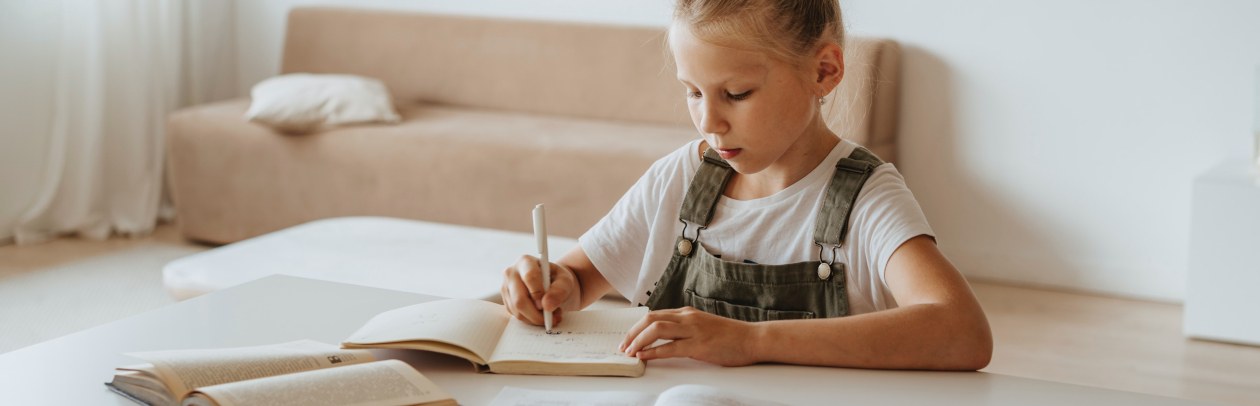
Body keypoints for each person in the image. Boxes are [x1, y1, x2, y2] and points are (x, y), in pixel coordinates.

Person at [501, 0, 992, 371]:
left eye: (736, 94)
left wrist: (751, 341)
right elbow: (583, 277)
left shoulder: (867, 198)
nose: (708, 121)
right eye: (692, 92)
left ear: (824, 72)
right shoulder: (681, 177)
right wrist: (552, 285)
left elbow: (962, 331)